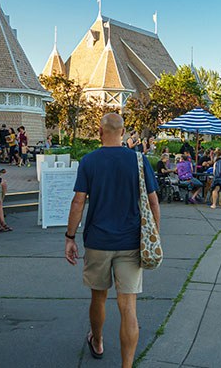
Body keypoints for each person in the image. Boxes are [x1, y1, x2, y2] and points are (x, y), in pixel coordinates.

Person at [65, 113, 159, 368]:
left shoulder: (89, 161)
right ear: (124, 131)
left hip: (98, 241)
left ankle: (97, 341)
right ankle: (127, 366)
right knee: (128, 305)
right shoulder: (139, 160)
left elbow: (78, 202)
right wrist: (154, 236)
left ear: (100, 131)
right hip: (131, 242)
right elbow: (152, 201)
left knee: (98, 298)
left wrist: (70, 237)